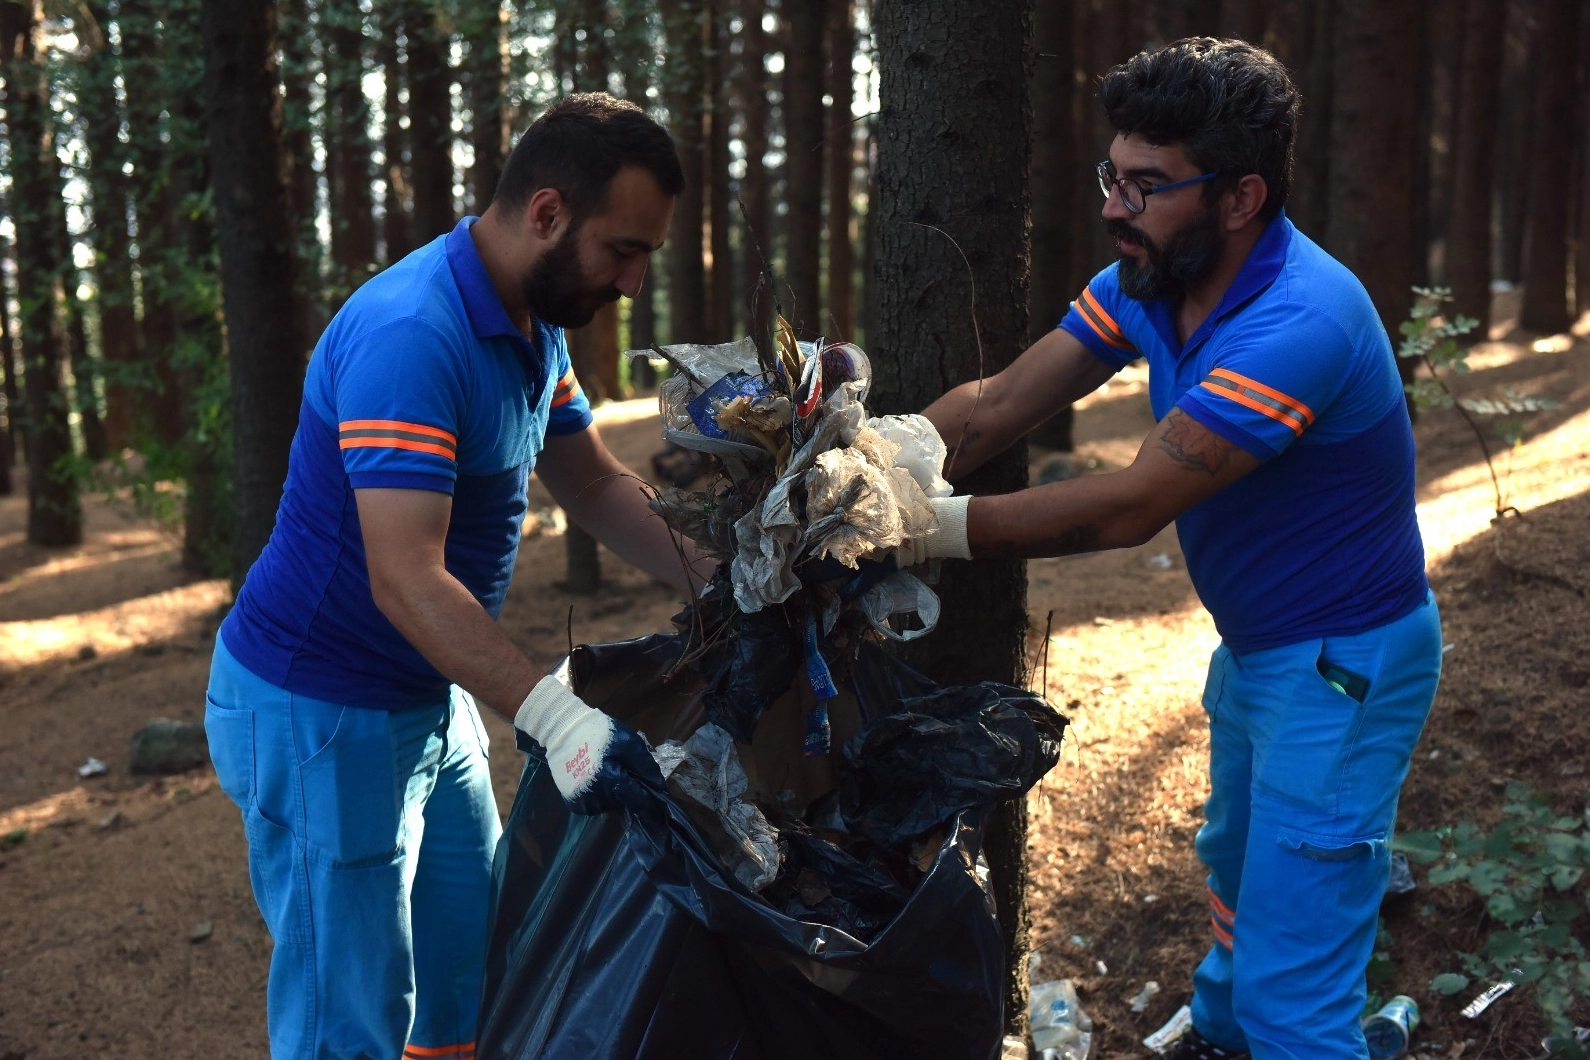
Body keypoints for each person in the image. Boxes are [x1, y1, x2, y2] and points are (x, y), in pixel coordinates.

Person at [905, 39, 1442, 1060]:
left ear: (1240, 197)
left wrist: (928, 525)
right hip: (1262, 653)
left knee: (1299, 990)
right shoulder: (1153, 276)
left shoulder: (1298, 323)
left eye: (1147, 187)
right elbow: (1004, 404)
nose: (1115, 206)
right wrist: (879, 457)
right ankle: (1227, 1028)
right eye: (1114, 175)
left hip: (1344, 669)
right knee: (1240, 869)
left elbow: (1132, 506)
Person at [205, 93, 709, 1060]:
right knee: (346, 1023)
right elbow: (405, 579)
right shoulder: (413, 335)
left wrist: (723, 578)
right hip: (320, 710)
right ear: (548, 213)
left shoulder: (533, 320)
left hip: (429, 695)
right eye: (624, 251)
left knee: (470, 985)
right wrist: (554, 717)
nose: (636, 284)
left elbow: (594, 480)